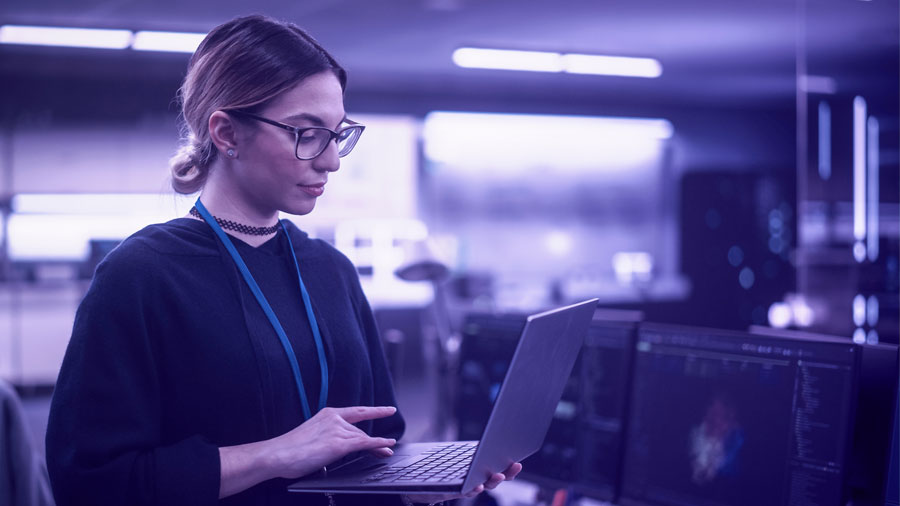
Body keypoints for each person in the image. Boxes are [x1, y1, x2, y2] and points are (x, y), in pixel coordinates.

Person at [44, 14, 521, 506]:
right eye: (306, 133)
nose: (331, 161)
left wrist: (432, 481)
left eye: (337, 134)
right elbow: (90, 481)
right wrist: (274, 455)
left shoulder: (330, 270)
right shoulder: (141, 275)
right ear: (227, 134)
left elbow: (384, 441)